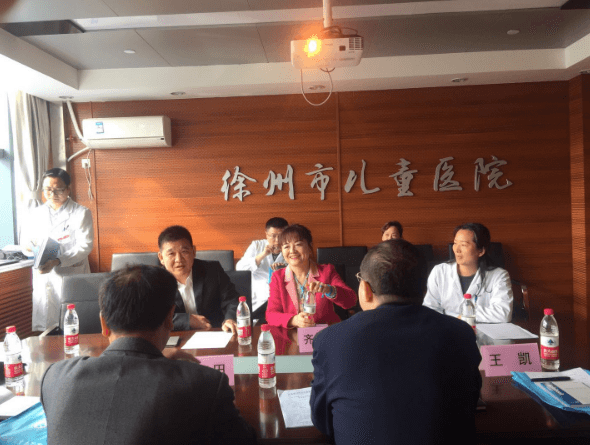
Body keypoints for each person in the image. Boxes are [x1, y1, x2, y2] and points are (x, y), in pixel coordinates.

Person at [40, 265, 257, 445]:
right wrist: (179, 371)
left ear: (103, 324)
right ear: (170, 319)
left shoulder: (55, 377)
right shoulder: (203, 384)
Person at [310, 239, 482, 445]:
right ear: (424, 289)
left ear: (365, 289)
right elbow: (469, 405)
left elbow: (323, 421)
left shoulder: (330, 340)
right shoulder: (461, 334)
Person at [20, 168, 94, 331]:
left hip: (70, 273)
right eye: (47, 189)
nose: (52, 194)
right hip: (44, 275)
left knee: (73, 324)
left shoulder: (81, 213)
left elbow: (85, 246)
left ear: (68, 189)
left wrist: (57, 261)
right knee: (48, 329)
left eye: (58, 189)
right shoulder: (35, 214)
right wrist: (32, 249)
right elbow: (25, 244)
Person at [266, 224, 357, 328]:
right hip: (293, 335)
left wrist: (329, 290)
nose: (292, 251)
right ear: (282, 251)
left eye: (298, 244)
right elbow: (271, 315)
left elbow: (351, 301)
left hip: (325, 332)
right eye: (286, 246)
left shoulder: (326, 271)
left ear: (309, 247)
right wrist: (294, 320)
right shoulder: (278, 277)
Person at [423, 222, 513, 322]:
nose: (457, 250)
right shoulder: (439, 271)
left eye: (463, 245)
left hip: (484, 330)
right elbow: (429, 309)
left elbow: (503, 313)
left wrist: (460, 316)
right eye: (455, 243)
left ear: (481, 251)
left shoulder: (499, 275)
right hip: (447, 328)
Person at [157, 225, 239, 333]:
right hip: (176, 339)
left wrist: (230, 319)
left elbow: (232, 300)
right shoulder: (155, 281)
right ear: (161, 257)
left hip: (215, 334)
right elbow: (153, 317)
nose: (178, 259)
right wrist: (187, 320)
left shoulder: (212, 270)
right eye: (171, 253)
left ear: (194, 251)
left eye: (184, 252)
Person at [236, 217, 289, 321]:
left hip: (283, 299)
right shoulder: (257, 245)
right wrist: (262, 255)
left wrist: (286, 269)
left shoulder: (290, 248)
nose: (277, 241)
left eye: (281, 236)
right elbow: (239, 268)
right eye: (273, 236)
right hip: (259, 299)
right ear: (266, 234)